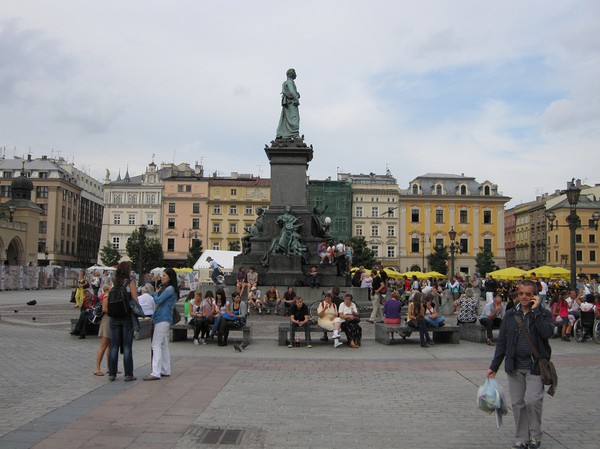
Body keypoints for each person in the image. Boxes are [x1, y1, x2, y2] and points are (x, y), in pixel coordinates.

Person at [486, 280, 554, 449]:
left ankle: (535, 436)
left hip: (535, 366)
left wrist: (536, 311)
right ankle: (522, 438)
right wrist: (494, 367)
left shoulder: (543, 314)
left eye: (528, 294)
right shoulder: (510, 315)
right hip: (514, 366)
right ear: (517, 294)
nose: (524, 297)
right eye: (521, 293)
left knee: (533, 401)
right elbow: (502, 342)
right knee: (517, 403)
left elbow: (547, 333)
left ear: (535, 296)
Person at [103, 261, 138, 382]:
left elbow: (109, 295)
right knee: (127, 346)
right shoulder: (130, 282)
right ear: (127, 270)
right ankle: (128, 374)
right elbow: (135, 298)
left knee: (114, 346)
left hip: (114, 317)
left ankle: (112, 374)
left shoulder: (114, 281)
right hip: (126, 317)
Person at [145, 268, 179, 381]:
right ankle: (165, 369)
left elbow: (158, 300)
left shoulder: (169, 289)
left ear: (170, 277)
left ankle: (156, 372)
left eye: (164, 276)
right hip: (164, 318)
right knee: (163, 345)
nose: (162, 277)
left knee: (156, 344)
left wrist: (155, 294)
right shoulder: (171, 288)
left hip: (162, 318)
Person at [276, 68, 300, 139]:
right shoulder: (290, 82)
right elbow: (292, 92)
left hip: (287, 104)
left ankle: (284, 134)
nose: (296, 74)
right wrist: (296, 100)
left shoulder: (285, 83)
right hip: (291, 103)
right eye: (295, 73)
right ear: (292, 74)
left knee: (285, 120)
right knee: (295, 118)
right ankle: (295, 134)